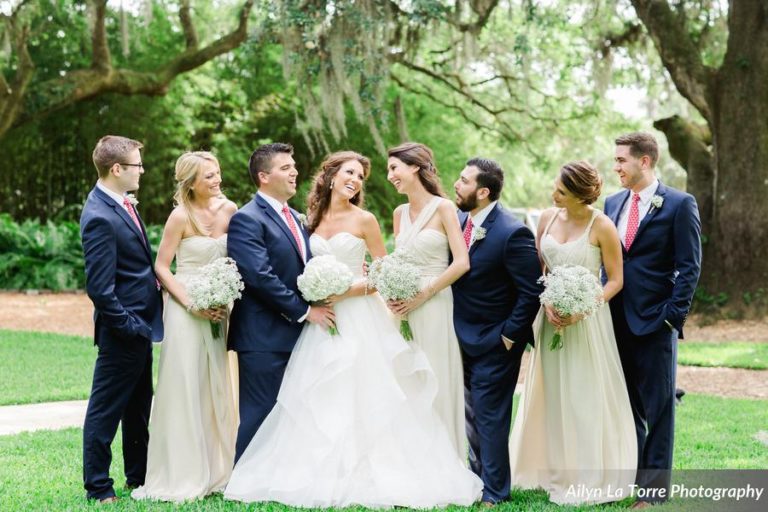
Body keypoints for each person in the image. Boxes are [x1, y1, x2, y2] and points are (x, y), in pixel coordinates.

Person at [224, 151, 482, 507]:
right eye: (350, 172)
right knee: (317, 395)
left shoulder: (366, 220)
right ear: (331, 176)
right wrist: (313, 296)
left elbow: (379, 273)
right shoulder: (308, 220)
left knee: (367, 394)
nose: (356, 180)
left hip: (359, 316)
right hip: (320, 318)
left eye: (361, 176)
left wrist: (344, 290)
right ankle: (316, 470)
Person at [508, 161, 637, 505]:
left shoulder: (602, 226)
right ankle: (553, 469)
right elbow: (540, 270)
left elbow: (615, 280)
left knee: (582, 394)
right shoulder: (549, 219)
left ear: (581, 196)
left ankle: (587, 474)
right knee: (552, 393)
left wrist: (583, 307)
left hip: (588, 322)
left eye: (562, 192)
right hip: (550, 317)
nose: (554, 195)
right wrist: (547, 301)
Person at [131, 152, 238, 502]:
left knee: (217, 385)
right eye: (209, 176)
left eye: (217, 173)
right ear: (191, 182)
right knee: (185, 384)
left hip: (221, 307)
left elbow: (239, 259)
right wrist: (191, 303)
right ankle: (183, 471)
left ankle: (220, 468)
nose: (216, 180)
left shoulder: (231, 210)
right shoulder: (179, 216)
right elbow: (162, 267)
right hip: (185, 307)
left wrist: (224, 293)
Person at [605, 132, 701, 508]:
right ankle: (631, 477)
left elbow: (689, 266)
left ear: (644, 162)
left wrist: (671, 317)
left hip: (655, 322)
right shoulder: (612, 202)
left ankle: (653, 492)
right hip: (614, 319)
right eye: (615, 161)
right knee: (626, 405)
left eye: (621, 161)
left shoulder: (679, 203)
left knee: (659, 408)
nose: (615, 167)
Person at [226, 142, 334, 463]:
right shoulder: (247, 219)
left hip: (295, 335)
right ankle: (244, 480)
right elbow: (259, 277)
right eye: (285, 168)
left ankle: (278, 475)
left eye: (294, 166)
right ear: (263, 176)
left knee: (290, 411)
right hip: (263, 335)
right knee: (260, 411)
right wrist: (304, 311)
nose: (295, 172)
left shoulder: (296, 218)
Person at [451, 158, 543, 505]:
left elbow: (532, 290)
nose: (456, 184)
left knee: (490, 417)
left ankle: (495, 492)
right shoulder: (459, 221)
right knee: (471, 416)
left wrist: (508, 336)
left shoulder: (512, 231)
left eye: (463, 180)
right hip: (459, 337)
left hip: (495, 341)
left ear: (483, 191)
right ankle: (477, 482)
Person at [80, 135, 163, 503]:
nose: (141, 171)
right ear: (117, 169)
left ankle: (138, 477)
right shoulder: (99, 215)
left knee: (137, 408)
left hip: (140, 325)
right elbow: (99, 288)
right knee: (106, 410)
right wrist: (129, 326)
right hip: (123, 329)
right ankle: (98, 487)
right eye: (137, 165)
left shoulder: (119, 203)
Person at [386, 142, 470, 459]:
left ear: (415, 167)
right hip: (403, 308)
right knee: (406, 377)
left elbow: (461, 262)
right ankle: (412, 459)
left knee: (435, 374)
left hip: (434, 303)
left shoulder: (444, 208)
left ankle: (444, 458)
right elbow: (399, 259)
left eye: (394, 168)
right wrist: (392, 287)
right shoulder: (399, 213)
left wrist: (424, 294)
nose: (390, 175)